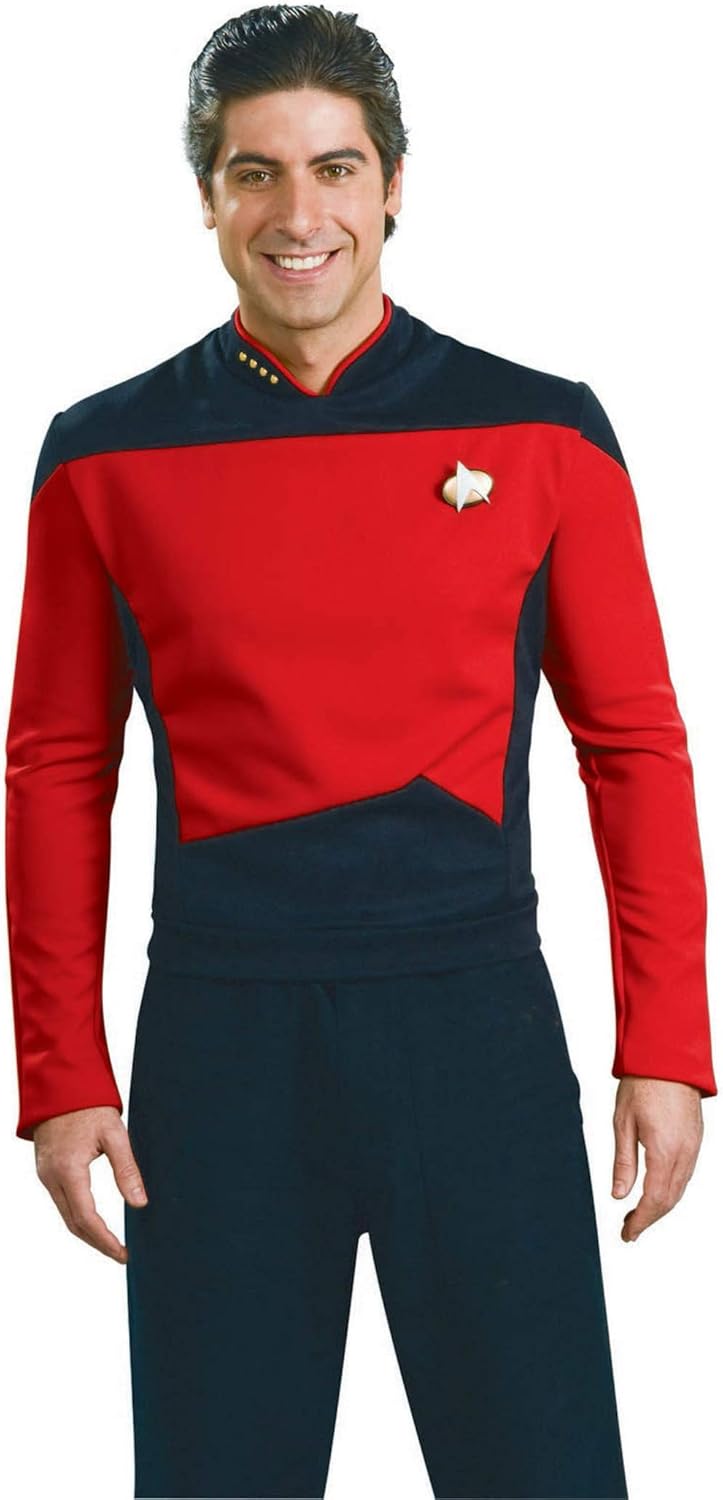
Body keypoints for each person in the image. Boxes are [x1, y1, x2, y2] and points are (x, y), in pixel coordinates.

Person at [5, 6, 717, 1498]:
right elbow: (57, 766)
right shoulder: (101, 454)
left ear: (395, 184)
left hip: (477, 1029)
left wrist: (666, 1043)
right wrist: (62, 1071)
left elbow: (633, 745)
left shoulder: (545, 431)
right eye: (254, 173)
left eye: (335, 168)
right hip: (220, 1045)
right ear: (206, 196)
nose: (299, 213)